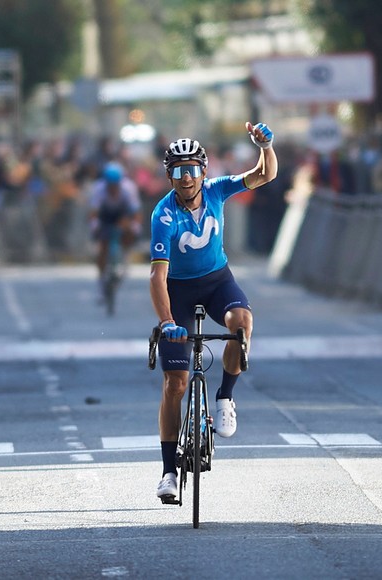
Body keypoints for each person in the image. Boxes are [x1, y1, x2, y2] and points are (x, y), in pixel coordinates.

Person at [149, 122, 277, 501]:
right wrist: (168, 322)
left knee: (242, 324)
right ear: (169, 175)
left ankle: (225, 397)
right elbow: (157, 278)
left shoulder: (218, 190)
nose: (185, 177)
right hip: (179, 292)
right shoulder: (164, 215)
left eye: (191, 169)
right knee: (176, 383)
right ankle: (169, 471)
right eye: (177, 170)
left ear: (204, 171)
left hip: (218, 281)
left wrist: (265, 145)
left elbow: (265, 174)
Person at [88, 162, 141, 295]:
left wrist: (135, 226)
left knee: (129, 231)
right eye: (110, 186)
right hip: (105, 214)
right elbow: (94, 212)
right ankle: (101, 278)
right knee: (103, 244)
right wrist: (94, 224)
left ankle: (124, 257)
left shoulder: (128, 188)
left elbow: (136, 212)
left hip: (122, 214)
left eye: (115, 185)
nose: (113, 188)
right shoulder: (99, 189)